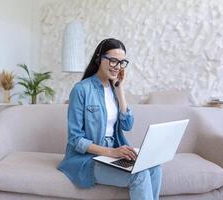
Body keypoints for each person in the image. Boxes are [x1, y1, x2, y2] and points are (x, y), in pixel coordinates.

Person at [58, 38, 162, 200]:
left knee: (155, 167)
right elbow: (75, 139)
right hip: (87, 159)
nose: (117, 67)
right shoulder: (81, 90)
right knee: (139, 175)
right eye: (113, 60)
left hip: (112, 154)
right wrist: (112, 152)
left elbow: (128, 125)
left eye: (121, 62)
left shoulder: (114, 89)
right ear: (99, 58)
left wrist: (120, 90)